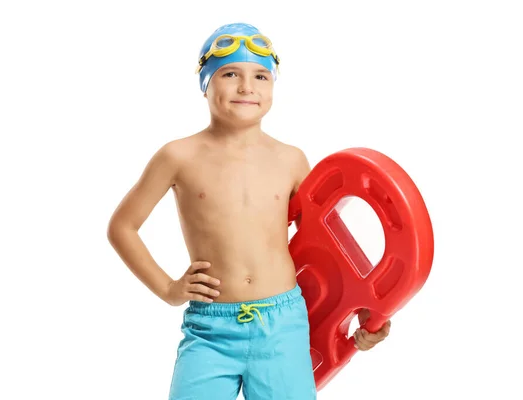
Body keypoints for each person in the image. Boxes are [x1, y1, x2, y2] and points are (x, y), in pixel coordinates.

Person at [107, 22, 391, 400]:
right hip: (210, 329)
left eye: (260, 75)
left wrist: (362, 313)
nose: (247, 87)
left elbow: (328, 249)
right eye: (230, 74)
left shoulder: (291, 160)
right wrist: (168, 289)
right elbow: (123, 226)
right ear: (205, 83)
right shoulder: (178, 156)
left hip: (283, 324)